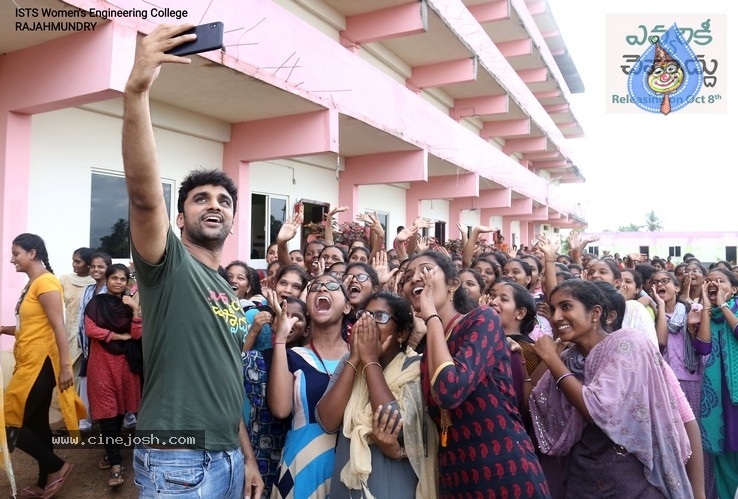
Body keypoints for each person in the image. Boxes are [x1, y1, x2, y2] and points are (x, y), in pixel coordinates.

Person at [122, 24, 262, 498]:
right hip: (177, 456)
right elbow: (144, 199)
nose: (214, 205)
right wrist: (137, 92)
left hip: (224, 454)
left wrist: (244, 457)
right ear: (179, 217)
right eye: (200, 199)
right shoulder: (170, 265)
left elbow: (224, 377)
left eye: (223, 199)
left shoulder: (224, 285)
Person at [401, 250, 550, 498]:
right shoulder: (430, 350)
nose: (415, 278)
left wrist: (432, 318)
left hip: (504, 470)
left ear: (452, 285)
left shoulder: (483, 319)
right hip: (456, 476)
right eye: (407, 276)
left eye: (425, 269)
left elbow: (450, 390)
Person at [530, 279, 693, 498]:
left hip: (633, 480)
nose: (557, 317)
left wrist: (552, 359)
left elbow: (596, 408)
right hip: (583, 479)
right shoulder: (570, 359)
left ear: (595, 313)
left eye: (566, 306)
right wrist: (544, 358)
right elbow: (535, 405)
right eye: (553, 309)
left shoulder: (627, 343)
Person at [316, 291, 438, 498]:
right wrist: (355, 359)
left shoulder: (415, 366)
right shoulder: (349, 362)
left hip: (394, 486)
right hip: (347, 489)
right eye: (364, 315)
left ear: (402, 334)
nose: (369, 323)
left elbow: (394, 423)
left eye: (380, 317)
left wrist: (370, 360)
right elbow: (327, 421)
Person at [1, 233, 85, 499]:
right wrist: (4, 329)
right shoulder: (33, 284)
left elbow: (58, 325)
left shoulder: (46, 282)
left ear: (32, 253)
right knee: (37, 425)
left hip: (40, 365)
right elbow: (30, 327)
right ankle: (44, 481)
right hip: (28, 362)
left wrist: (65, 367)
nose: (12, 259)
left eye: (16, 253)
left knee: (9, 424)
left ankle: (56, 466)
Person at [268, 274, 351, 498]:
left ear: (347, 307)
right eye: (315, 287)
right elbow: (280, 409)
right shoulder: (292, 356)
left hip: (351, 465)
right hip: (301, 466)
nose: (322, 289)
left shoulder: (361, 356)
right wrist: (280, 339)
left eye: (332, 286)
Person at [84, 263, 143, 487]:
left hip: (124, 364)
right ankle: (117, 465)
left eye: (122, 279)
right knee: (108, 412)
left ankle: (111, 453)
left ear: (127, 282)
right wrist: (119, 337)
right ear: (107, 280)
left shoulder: (128, 305)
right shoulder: (96, 303)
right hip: (101, 364)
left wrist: (135, 310)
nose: (118, 282)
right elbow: (91, 330)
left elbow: (137, 334)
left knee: (119, 411)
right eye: (114, 278)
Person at [698, 268, 738, 498]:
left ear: (733, 289)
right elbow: (703, 348)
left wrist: (723, 306)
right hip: (719, 399)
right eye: (708, 281)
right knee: (724, 456)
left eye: (720, 281)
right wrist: (706, 307)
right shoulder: (704, 313)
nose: (712, 284)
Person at [76, 251, 112, 432]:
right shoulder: (88, 290)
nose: (96, 270)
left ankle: (118, 419)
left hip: (105, 345)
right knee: (84, 380)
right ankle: (85, 421)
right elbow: (81, 316)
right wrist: (80, 339)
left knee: (106, 384)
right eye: (93, 266)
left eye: (101, 267)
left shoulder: (111, 290)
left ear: (108, 269)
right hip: (87, 345)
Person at [57, 247, 95, 383]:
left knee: (80, 372)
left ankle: (79, 402)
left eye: (78, 262)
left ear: (88, 264)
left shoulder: (95, 282)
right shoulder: (65, 279)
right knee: (65, 368)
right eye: (73, 261)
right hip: (68, 331)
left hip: (85, 333)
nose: (74, 264)